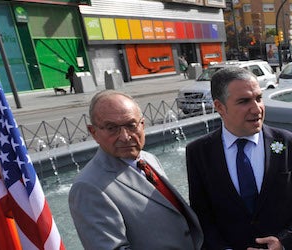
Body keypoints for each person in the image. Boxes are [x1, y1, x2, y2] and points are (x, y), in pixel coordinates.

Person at [186, 66, 292, 249]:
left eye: (258, 98)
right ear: (219, 107)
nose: (256, 109)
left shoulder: (291, 144)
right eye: (244, 101)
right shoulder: (198, 152)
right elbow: (202, 214)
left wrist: (284, 241)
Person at [69, 90, 203, 249]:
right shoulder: (88, 187)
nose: (125, 136)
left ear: (142, 125)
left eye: (131, 125)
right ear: (93, 132)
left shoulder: (148, 159)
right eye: (112, 128)